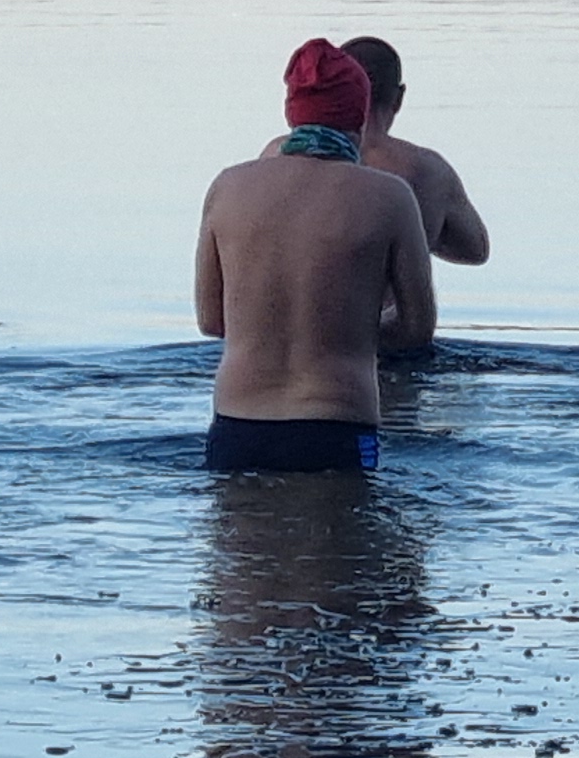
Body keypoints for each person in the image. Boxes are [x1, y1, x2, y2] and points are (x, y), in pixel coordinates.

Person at [193, 38, 435, 472]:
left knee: (242, 538)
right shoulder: (390, 197)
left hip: (236, 425)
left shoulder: (227, 188)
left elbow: (212, 321)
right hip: (337, 425)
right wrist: (343, 335)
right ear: (359, 113)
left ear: (292, 112)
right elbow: (417, 328)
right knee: (347, 539)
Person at [254, 35, 489, 280]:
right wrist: (417, 233)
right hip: (386, 315)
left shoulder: (276, 155)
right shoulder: (428, 171)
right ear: (398, 98)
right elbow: (475, 250)